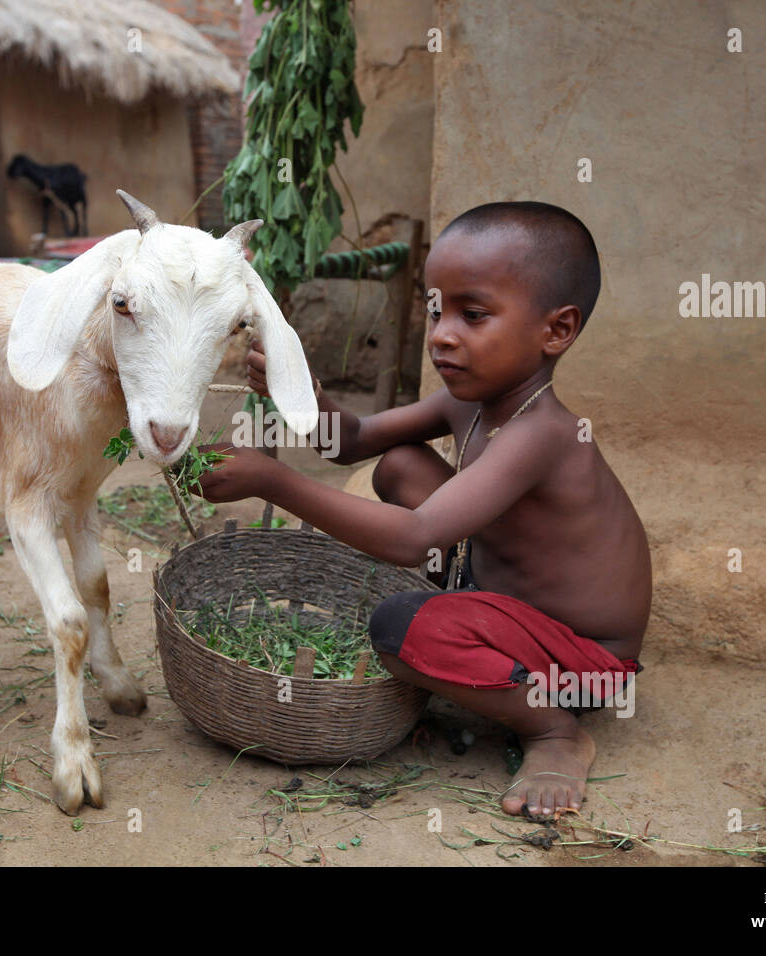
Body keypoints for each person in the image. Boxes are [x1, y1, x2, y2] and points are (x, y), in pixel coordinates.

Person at [195, 201, 652, 820]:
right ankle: (470, 630)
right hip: (503, 600)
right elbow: (349, 444)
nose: (442, 333)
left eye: (474, 314)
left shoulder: (543, 432)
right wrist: (300, 392)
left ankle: (553, 733)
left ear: (557, 330)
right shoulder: (468, 403)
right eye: (437, 310)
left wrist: (272, 481)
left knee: (401, 627)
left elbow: (415, 538)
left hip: (586, 659)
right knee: (400, 465)